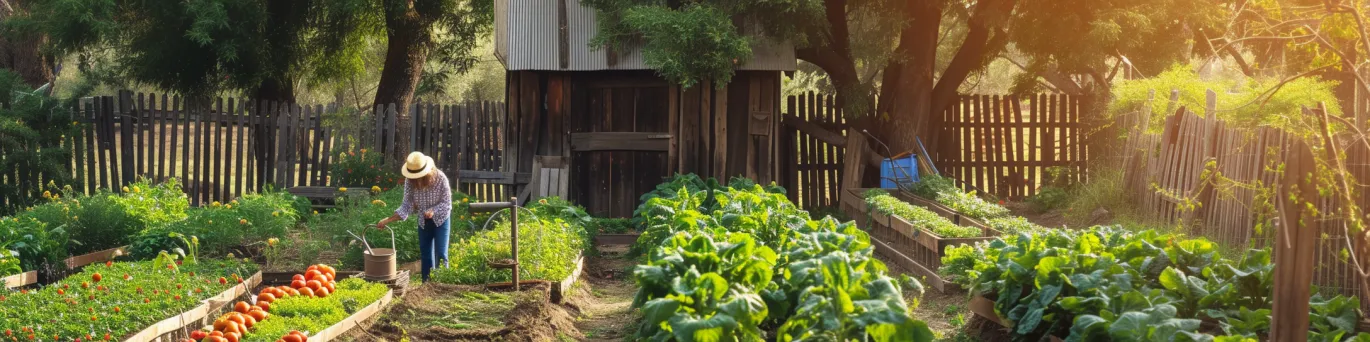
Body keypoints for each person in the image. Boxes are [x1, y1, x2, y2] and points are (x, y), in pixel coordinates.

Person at [376, 151, 452, 282]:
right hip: (423, 221)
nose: (416, 179)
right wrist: (388, 220)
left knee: (441, 254)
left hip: (441, 219)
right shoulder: (409, 181)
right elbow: (407, 205)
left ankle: (442, 284)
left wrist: (433, 211)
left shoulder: (440, 178)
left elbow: (447, 203)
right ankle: (426, 285)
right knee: (426, 255)